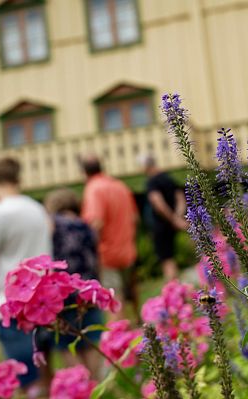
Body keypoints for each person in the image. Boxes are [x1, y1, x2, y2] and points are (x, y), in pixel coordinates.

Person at [0, 157, 52, 396]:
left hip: (12, 305)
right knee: (46, 370)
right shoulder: (37, 208)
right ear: (18, 179)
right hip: (44, 301)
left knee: (25, 379)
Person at [43, 188, 103, 377]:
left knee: (67, 341)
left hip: (62, 292)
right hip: (88, 288)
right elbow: (96, 259)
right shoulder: (86, 226)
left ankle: (80, 383)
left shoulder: (51, 225)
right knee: (91, 337)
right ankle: (95, 382)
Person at [79, 155, 138, 319]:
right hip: (127, 250)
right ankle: (137, 325)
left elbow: (95, 223)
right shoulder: (120, 185)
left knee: (113, 298)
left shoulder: (93, 189)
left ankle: (118, 337)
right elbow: (134, 218)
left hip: (107, 254)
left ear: (84, 172)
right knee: (130, 292)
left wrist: (89, 253)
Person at [143, 155, 187, 280]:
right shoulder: (168, 178)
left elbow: (157, 201)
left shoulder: (152, 181)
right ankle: (177, 287)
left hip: (161, 226)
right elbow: (180, 198)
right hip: (171, 225)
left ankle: (173, 291)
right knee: (171, 257)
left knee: (166, 259)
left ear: (147, 167)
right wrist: (178, 217)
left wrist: (173, 219)